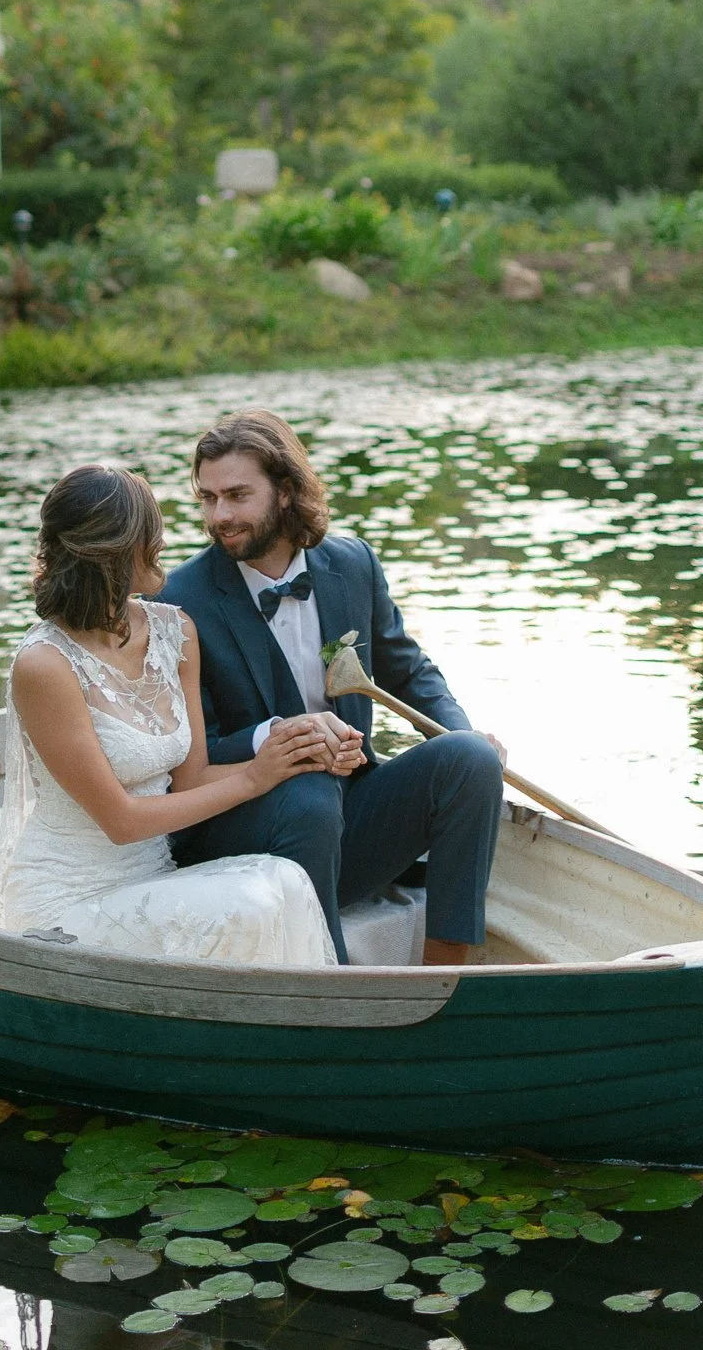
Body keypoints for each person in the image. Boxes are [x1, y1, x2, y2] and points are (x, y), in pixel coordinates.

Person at [161, 409, 506, 966]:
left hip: (350, 823)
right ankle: (334, 979)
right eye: (207, 498)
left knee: (468, 758)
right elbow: (184, 758)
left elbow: (409, 671)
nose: (219, 515)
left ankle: (445, 973)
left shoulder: (352, 563)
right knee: (310, 787)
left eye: (237, 496)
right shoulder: (179, 600)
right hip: (246, 833)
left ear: (285, 490)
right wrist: (279, 740)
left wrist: (462, 731)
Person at [0, 461, 337, 967]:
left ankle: (297, 1031)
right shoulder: (45, 665)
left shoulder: (174, 631)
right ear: (112, 549)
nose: (165, 540)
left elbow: (192, 777)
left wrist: (293, 755)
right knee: (249, 905)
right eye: (151, 531)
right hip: (68, 898)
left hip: (155, 876)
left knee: (284, 879)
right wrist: (254, 779)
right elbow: (122, 821)